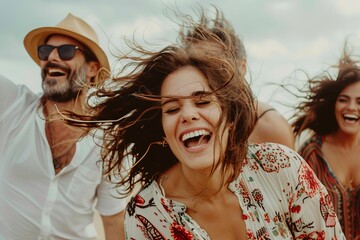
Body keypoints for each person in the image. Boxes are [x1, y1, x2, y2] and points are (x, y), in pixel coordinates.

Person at [66, 7, 345, 239]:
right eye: (172, 108)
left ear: (231, 118)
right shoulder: (148, 216)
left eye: (202, 102)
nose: (188, 114)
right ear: (163, 131)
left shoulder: (283, 169)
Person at [0, 13, 126, 239]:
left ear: (92, 68)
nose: (52, 58)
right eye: (45, 52)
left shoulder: (110, 141)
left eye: (66, 51)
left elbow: (114, 220)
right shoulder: (12, 105)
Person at [291, 51, 360, 240]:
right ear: (334, 105)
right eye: (343, 100)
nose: (351, 107)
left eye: (359, 101)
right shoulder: (312, 152)